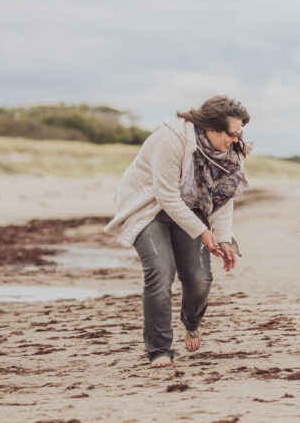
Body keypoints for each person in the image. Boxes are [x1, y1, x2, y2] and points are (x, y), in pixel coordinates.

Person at [105, 96, 250, 368]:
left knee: (198, 279)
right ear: (211, 129)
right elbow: (166, 196)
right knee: (160, 271)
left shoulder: (231, 150)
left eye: (239, 132)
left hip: (192, 208)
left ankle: (191, 322)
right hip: (149, 208)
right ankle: (159, 349)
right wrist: (202, 233)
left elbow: (223, 197)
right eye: (232, 133)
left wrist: (223, 238)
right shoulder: (170, 141)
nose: (236, 138)